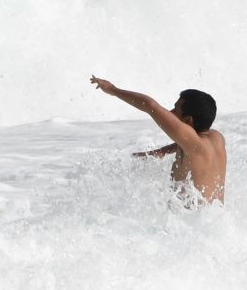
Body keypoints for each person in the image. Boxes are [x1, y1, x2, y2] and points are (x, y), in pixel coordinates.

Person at [90, 76, 226, 204]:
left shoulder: (193, 144)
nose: (170, 113)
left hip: (190, 222)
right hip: (211, 220)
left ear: (188, 120)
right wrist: (162, 151)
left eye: (175, 110)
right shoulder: (216, 138)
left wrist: (113, 89)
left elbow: (150, 105)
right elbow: (190, 141)